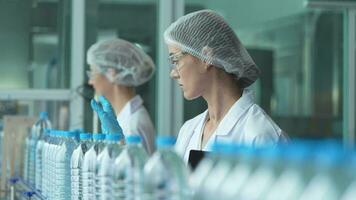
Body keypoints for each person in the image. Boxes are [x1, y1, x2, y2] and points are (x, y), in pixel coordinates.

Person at [92, 10, 288, 163]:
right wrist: (120, 144)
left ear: (207, 57)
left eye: (175, 60)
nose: (173, 72)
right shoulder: (190, 130)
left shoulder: (261, 135)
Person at [87, 38, 156, 154]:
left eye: (93, 72)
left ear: (111, 74)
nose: (90, 82)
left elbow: (130, 170)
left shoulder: (132, 124)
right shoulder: (127, 117)